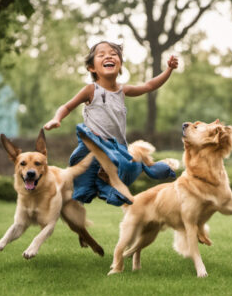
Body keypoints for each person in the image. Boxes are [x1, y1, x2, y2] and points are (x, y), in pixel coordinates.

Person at [44, 41, 178, 206]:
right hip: (93, 144)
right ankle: (95, 186)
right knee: (81, 174)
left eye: (114, 54)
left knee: (131, 167)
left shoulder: (122, 91)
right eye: (101, 55)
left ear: (120, 64)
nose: (108, 56)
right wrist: (56, 119)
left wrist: (169, 70)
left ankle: (114, 183)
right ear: (92, 68)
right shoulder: (91, 90)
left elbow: (149, 86)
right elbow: (67, 106)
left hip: (116, 147)